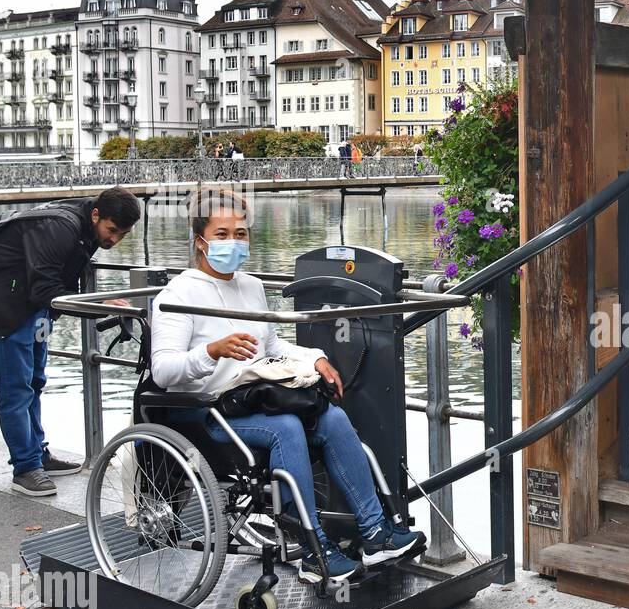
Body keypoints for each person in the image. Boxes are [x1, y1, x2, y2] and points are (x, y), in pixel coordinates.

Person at [149, 188, 425, 583]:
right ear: (200, 242)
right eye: (222, 234)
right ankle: (314, 552)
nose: (234, 242)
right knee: (287, 428)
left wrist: (313, 356)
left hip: (254, 399)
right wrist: (212, 351)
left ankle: (375, 534)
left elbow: (272, 344)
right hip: (208, 410)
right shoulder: (177, 295)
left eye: (240, 233)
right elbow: (163, 372)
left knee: (330, 418)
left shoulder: (250, 286)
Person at [0, 188, 140, 496]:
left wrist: (95, 303)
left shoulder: (84, 224)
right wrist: (100, 305)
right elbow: (46, 289)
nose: (114, 240)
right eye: (112, 231)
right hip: (7, 308)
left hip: (32, 308)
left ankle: (37, 455)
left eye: (123, 235)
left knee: (35, 381)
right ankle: (25, 468)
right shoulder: (61, 227)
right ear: (96, 215)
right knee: (16, 390)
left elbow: (50, 288)